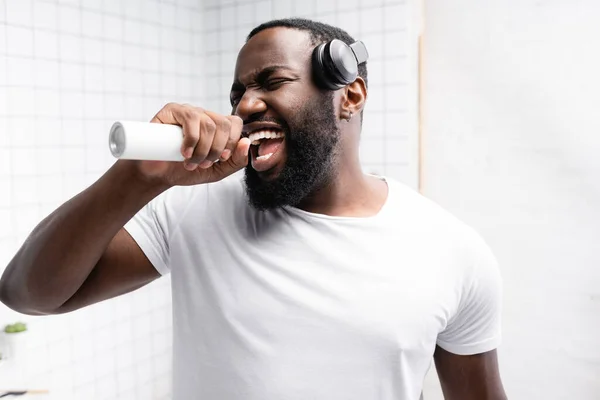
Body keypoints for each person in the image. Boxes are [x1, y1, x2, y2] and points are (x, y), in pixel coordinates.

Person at [0, 18, 507, 400]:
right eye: (238, 92)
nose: (244, 106)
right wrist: (134, 178)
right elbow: (28, 293)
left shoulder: (452, 251)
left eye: (272, 81)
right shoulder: (192, 209)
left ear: (350, 94)